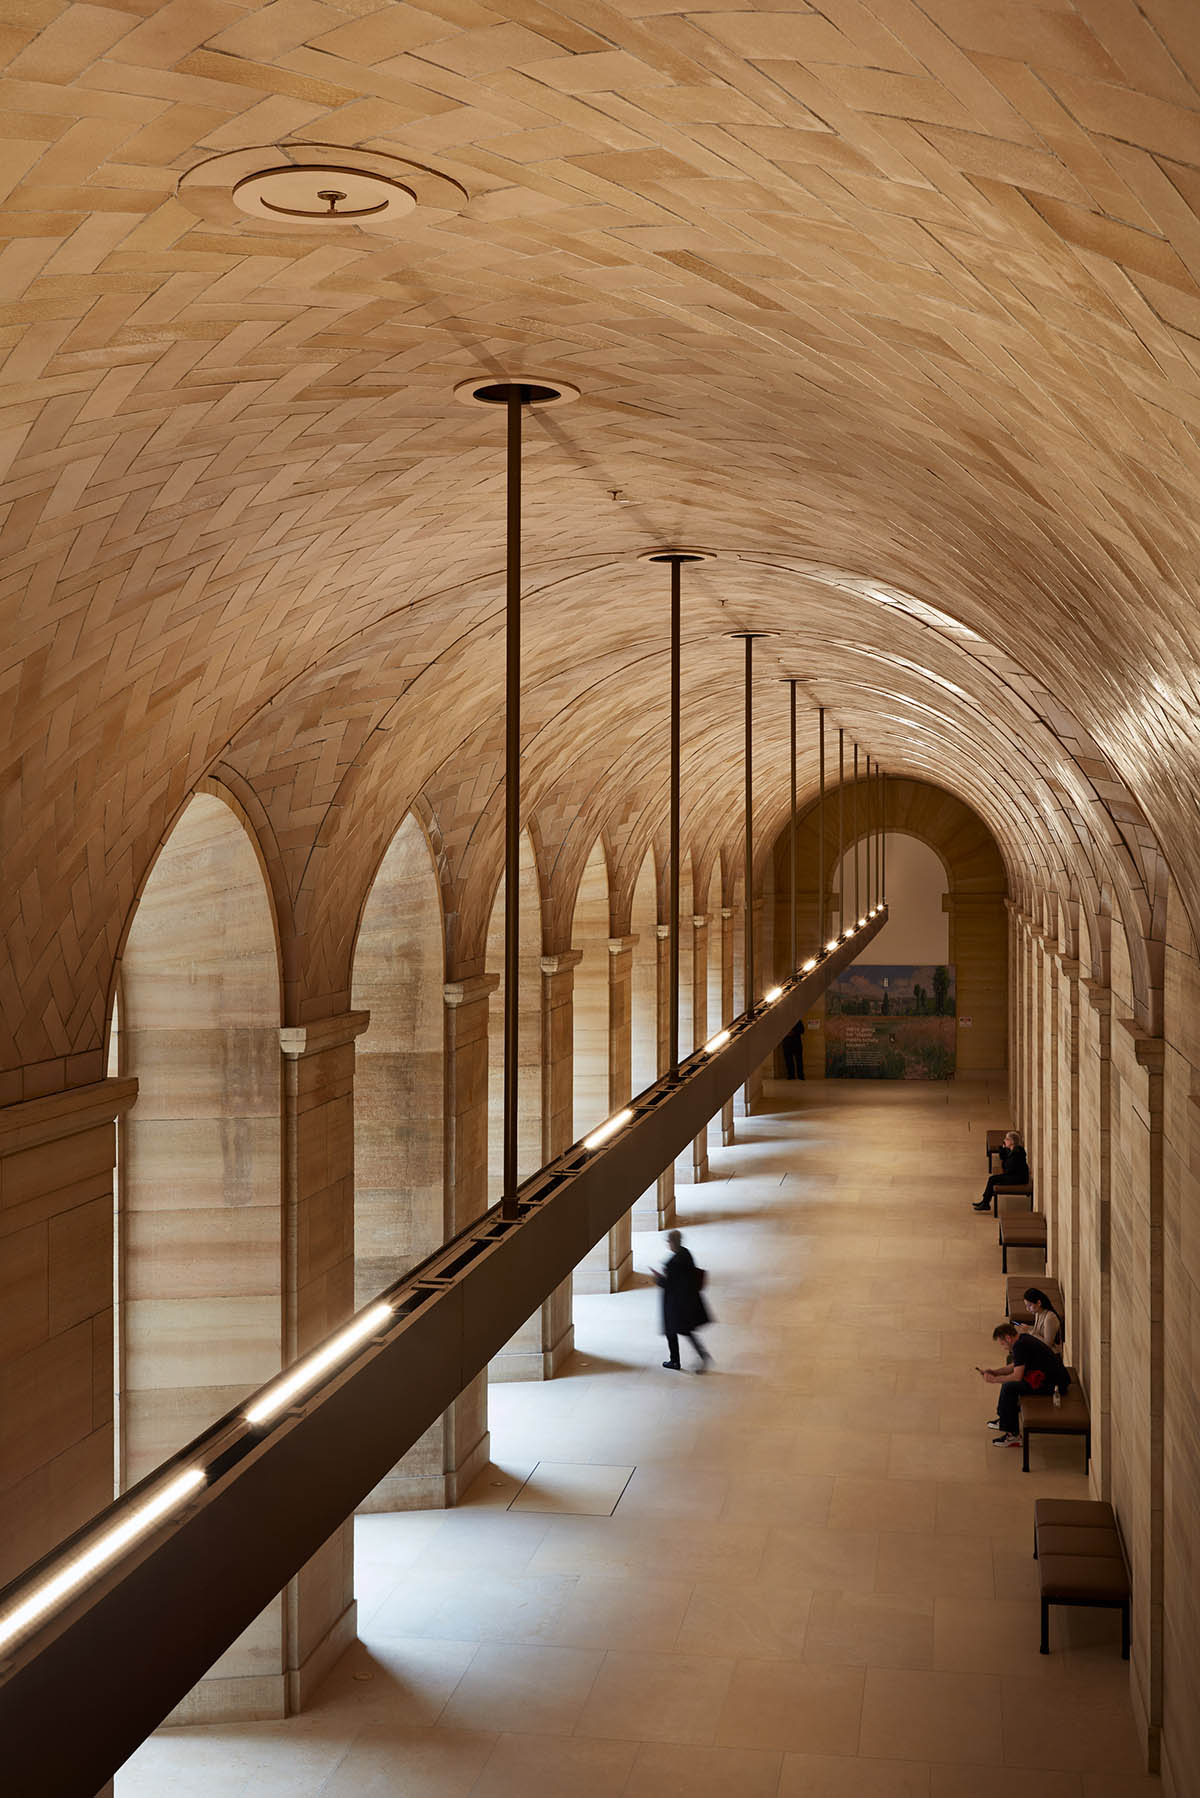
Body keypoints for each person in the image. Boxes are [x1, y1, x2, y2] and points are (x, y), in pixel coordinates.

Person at [977, 1321, 1069, 1446]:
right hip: (1051, 1379)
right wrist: (995, 1372)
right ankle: (1005, 1419)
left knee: (1009, 1387)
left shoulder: (1019, 1346)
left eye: (1003, 1343)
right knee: (1009, 1385)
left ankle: (1013, 1435)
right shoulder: (1022, 1339)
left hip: (1054, 1386)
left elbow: (1016, 1376)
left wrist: (994, 1380)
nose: (1003, 1347)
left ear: (1008, 1338)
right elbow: (1015, 1365)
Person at [653, 1229, 711, 1372]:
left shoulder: (674, 1263)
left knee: (672, 1331)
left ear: (672, 1242)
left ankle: (676, 1361)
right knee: (685, 1331)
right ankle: (700, 1356)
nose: (668, 1244)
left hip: (675, 1304)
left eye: (668, 1241)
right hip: (687, 1301)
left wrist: (658, 1279)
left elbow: (669, 1284)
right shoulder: (686, 1254)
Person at [973, 1129, 1029, 1211]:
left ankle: (985, 1203)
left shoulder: (1017, 1154)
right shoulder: (1013, 1150)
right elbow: (1004, 1161)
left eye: (1006, 1139)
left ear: (1012, 1142)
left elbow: (1006, 1168)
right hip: (1014, 1175)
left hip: (1018, 1178)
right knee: (993, 1179)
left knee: (992, 1179)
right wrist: (1003, 1151)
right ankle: (985, 1202)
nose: (1004, 1140)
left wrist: (1004, 1155)